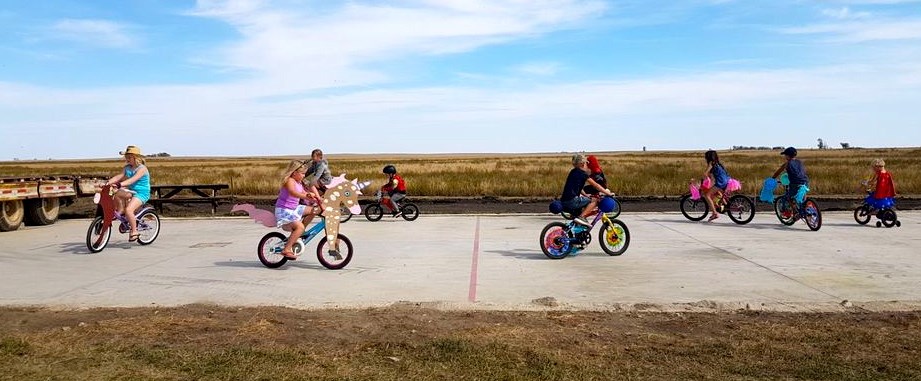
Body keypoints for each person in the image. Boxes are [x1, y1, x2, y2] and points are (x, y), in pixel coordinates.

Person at [275, 160, 321, 259]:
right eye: (302, 173)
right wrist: (306, 196)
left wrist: (318, 199)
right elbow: (293, 192)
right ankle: (286, 249)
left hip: (294, 209)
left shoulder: (299, 183)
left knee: (315, 210)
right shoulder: (289, 181)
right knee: (300, 227)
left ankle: (299, 233)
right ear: (294, 172)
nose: (304, 176)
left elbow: (306, 192)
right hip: (284, 211)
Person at [105, 145, 151, 242]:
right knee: (116, 193)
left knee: (129, 210)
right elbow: (119, 176)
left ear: (136, 158)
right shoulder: (127, 168)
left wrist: (119, 184)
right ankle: (120, 210)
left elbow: (131, 180)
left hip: (141, 193)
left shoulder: (142, 169)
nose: (127, 159)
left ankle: (134, 231)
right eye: (126, 157)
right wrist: (107, 183)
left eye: (129, 157)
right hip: (131, 190)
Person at [560, 154, 614, 226]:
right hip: (572, 201)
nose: (587, 165)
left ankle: (578, 232)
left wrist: (585, 195)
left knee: (585, 203)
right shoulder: (582, 174)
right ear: (582, 164)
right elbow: (596, 185)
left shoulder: (573, 171)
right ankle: (581, 217)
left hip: (564, 200)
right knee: (595, 200)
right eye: (586, 163)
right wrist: (608, 193)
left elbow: (578, 188)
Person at [771, 147, 809, 216]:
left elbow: (778, 172)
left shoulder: (787, 163)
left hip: (795, 183)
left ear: (788, 156)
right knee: (803, 194)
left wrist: (772, 179)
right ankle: (805, 208)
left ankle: (795, 212)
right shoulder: (800, 162)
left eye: (785, 155)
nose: (785, 156)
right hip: (805, 181)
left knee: (789, 198)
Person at [702, 150, 730, 222]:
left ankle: (715, 213)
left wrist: (704, 176)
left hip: (721, 182)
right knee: (717, 193)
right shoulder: (718, 163)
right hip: (726, 180)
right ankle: (725, 206)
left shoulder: (711, 163)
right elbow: (712, 177)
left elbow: (706, 173)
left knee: (707, 195)